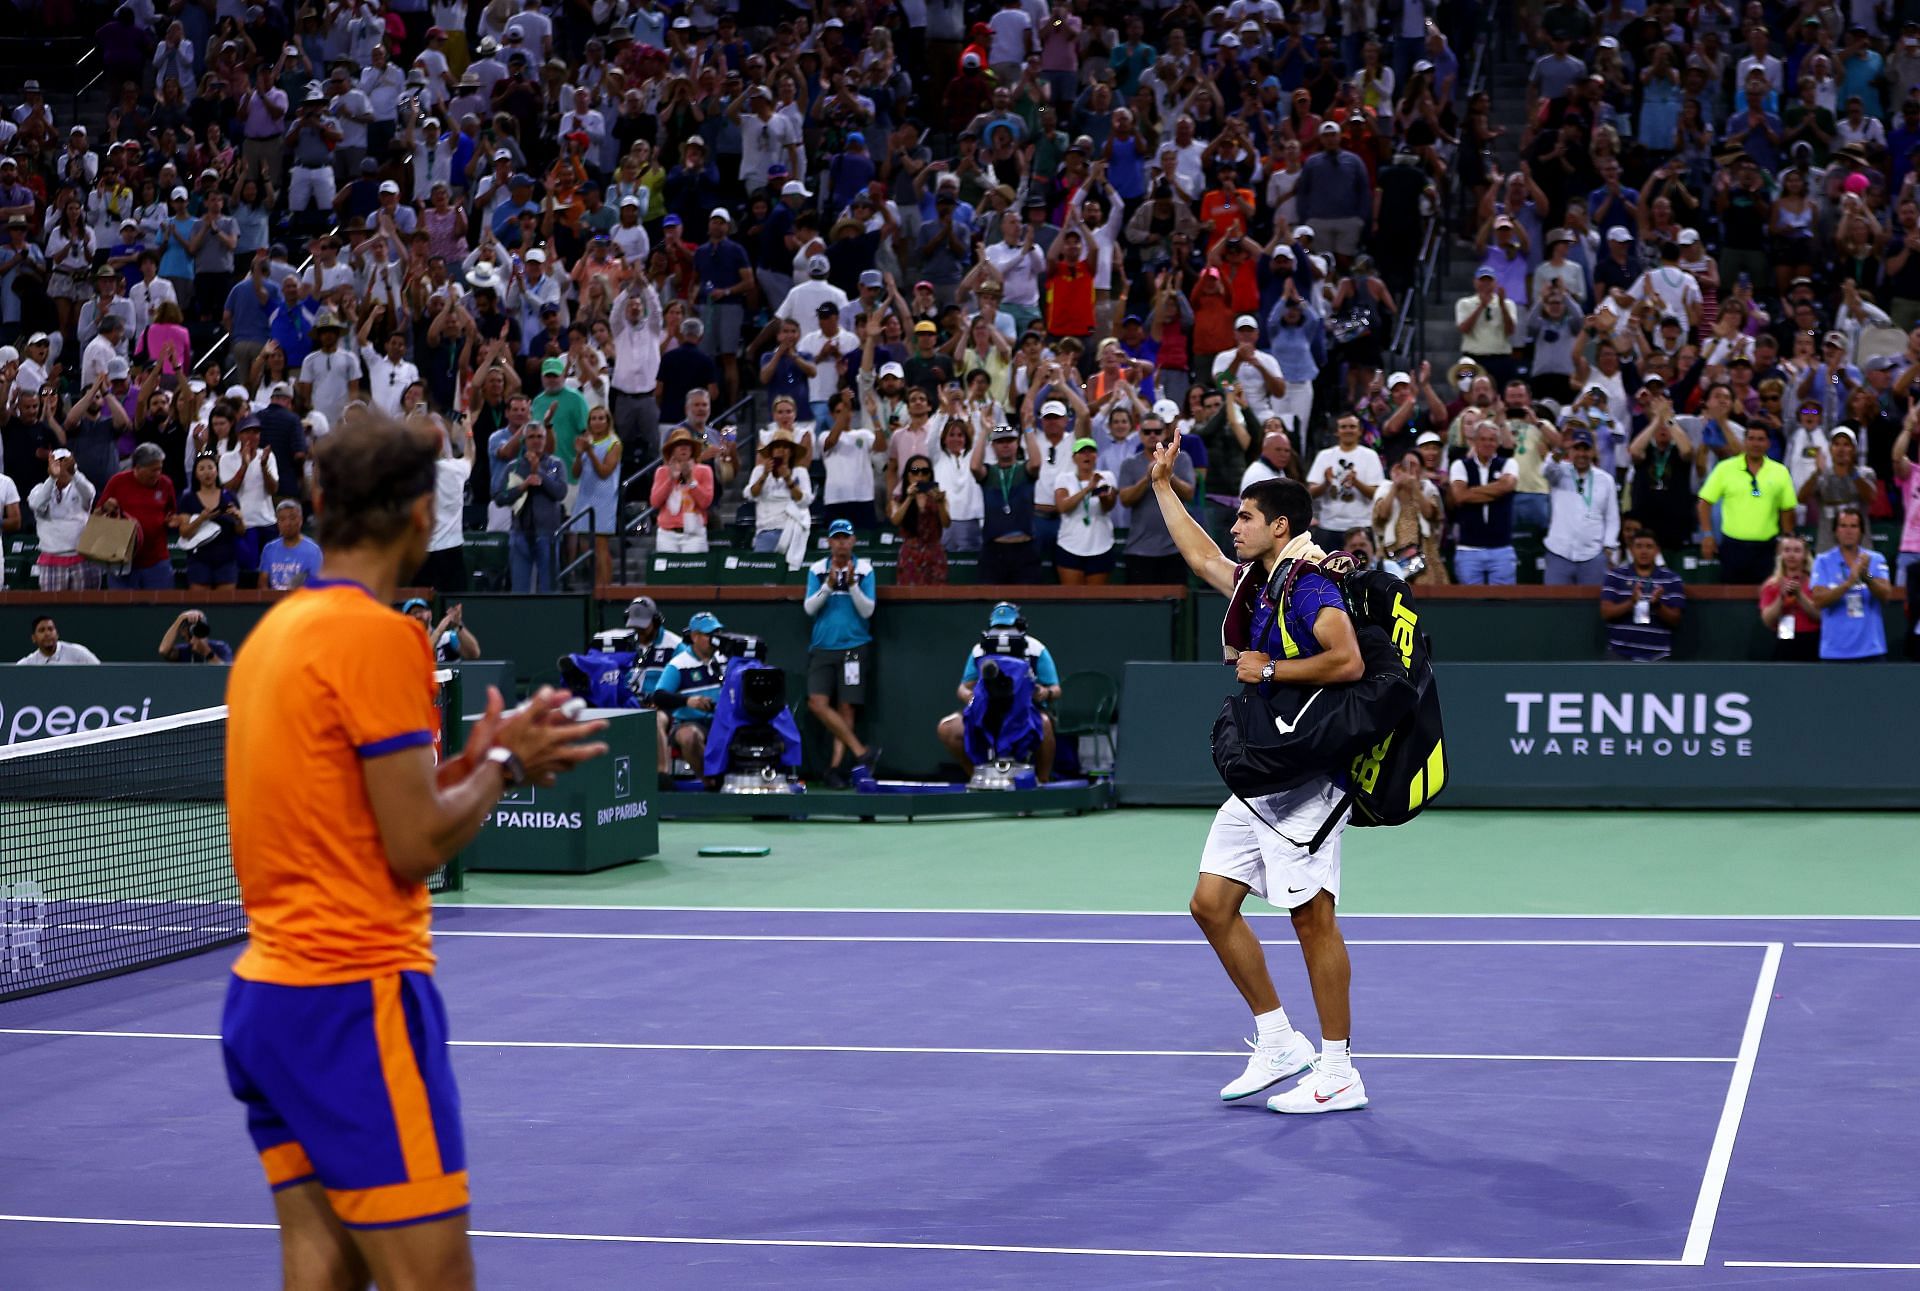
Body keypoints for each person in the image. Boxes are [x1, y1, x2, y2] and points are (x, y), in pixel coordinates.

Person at [221, 413, 604, 1291]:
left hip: (267, 1005)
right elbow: (415, 844)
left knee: (321, 1269)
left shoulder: (273, 637)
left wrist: (465, 765)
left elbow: (362, 811)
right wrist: (506, 764)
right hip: (354, 1003)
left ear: (318, 506)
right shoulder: (381, 637)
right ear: (424, 517)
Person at [1145, 442, 1369, 1114]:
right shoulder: (1259, 584)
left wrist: (1268, 670)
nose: (1233, 527)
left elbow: (1348, 660)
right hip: (1264, 774)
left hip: (1309, 778)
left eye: (1244, 517)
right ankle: (1278, 1039)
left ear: (1279, 526)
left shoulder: (1313, 583)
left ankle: (1338, 1070)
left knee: (1311, 919)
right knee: (1211, 904)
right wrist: (1162, 486)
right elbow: (1200, 555)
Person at [804, 519, 882, 787]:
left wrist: (851, 585)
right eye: (836, 538)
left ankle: (835, 769)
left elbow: (867, 611)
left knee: (846, 707)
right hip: (823, 647)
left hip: (854, 647)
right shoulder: (816, 570)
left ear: (853, 541)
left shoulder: (864, 569)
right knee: (817, 703)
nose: (840, 543)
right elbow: (809, 609)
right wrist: (827, 585)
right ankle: (862, 752)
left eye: (845, 538)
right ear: (829, 542)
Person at [1697, 423, 1798, 585]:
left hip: (1767, 549)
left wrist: (1785, 540)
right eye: (1751, 439)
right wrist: (1708, 535)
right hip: (1732, 548)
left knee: (1766, 598)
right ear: (1744, 441)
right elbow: (1704, 502)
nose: (1756, 444)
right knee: (1732, 599)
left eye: (1760, 439)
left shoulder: (1780, 472)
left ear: (1768, 443)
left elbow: (1787, 509)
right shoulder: (1725, 468)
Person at [1115, 414, 1195, 584]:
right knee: (1141, 605)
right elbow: (1125, 499)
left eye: (1157, 431)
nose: (1152, 435)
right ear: (1140, 434)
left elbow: (1189, 494)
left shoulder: (1181, 458)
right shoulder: (1129, 463)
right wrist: (1148, 477)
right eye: (1147, 431)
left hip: (1176, 548)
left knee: (1175, 604)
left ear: (1165, 433)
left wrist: (1167, 474)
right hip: (1139, 549)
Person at [1808, 506, 1893, 662]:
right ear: (1835, 531)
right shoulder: (1823, 561)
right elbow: (1818, 600)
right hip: (1834, 652)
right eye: (1843, 526)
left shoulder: (1875, 559)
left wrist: (1866, 576)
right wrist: (1848, 583)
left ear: (1861, 531)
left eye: (1854, 526)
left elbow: (1886, 595)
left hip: (1871, 651)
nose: (1849, 531)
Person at [95, 443, 178, 590]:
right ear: (137, 468)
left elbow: (171, 513)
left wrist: (171, 520)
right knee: (121, 611)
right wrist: (106, 508)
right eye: (153, 470)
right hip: (121, 560)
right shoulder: (117, 482)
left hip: (157, 561)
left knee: (160, 610)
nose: (158, 474)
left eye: (160, 469)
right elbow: (96, 516)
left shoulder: (166, 484)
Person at [654, 611, 727, 779]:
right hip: (690, 722)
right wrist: (688, 701)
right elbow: (659, 696)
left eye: (717, 634)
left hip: (723, 720)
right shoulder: (679, 664)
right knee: (688, 736)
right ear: (695, 636)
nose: (714, 639)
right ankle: (711, 783)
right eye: (709, 634)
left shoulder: (725, 659)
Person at [1541, 431, 1620, 586]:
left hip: (1593, 555)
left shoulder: (1605, 479)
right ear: (1570, 451)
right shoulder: (1560, 472)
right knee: (1555, 605)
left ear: (1593, 451)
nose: (1582, 454)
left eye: (1586, 449)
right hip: (1559, 552)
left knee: (1591, 606)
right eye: (1577, 449)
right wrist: (1560, 449)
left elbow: (1612, 517)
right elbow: (1547, 470)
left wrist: (1609, 547)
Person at [496, 422, 568, 591]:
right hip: (520, 533)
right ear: (524, 440)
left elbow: (560, 493)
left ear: (545, 439)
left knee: (549, 589)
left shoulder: (556, 464)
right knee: (519, 589)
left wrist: (538, 472)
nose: (536, 441)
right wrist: (522, 486)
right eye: (531, 437)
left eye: (540, 437)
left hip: (548, 534)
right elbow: (499, 498)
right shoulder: (513, 467)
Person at [1447, 421, 1519, 584]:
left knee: (1504, 603)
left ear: (1498, 443)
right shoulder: (1460, 465)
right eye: (1483, 439)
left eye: (1492, 440)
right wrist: (1497, 490)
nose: (1487, 443)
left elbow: (1507, 486)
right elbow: (1459, 496)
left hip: (1502, 549)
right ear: (1474, 441)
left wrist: (1470, 492)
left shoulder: (1509, 463)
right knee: (1470, 606)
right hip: (1468, 550)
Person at [1601, 532, 1686, 661]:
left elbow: (1675, 620)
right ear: (1631, 549)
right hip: (1619, 654)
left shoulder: (1672, 579)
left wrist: (1657, 605)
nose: (1644, 551)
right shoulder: (1615, 576)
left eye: (1649, 546)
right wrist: (1631, 602)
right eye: (1639, 546)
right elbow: (1606, 613)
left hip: (1658, 656)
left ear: (1657, 550)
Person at [1305, 413, 1384, 543]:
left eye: (1352, 426)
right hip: (1329, 526)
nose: (1348, 430)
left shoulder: (1370, 456)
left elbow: (1376, 495)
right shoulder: (1324, 456)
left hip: (1361, 526)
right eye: (1343, 427)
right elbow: (1311, 493)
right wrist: (1326, 483)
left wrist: (1356, 482)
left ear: (1360, 431)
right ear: (1337, 431)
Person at [28, 448, 100, 591]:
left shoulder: (81, 488)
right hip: (51, 561)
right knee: (53, 610)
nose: (62, 467)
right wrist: (52, 479)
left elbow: (90, 494)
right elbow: (37, 505)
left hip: (83, 559)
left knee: (86, 610)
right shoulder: (39, 489)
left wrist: (75, 473)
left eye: (66, 463)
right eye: (58, 463)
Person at [1052, 436, 1119, 585]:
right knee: (1072, 598)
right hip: (1070, 546)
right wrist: (1089, 488)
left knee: (1096, 599)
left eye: (1091, 451)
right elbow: (1063, 507)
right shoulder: (1063, 478)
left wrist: (1102, 495)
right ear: (1074, 457)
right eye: (1082, 452)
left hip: (1100, 545)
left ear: (1096, 456)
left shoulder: (1106, 476)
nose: (1087, 455)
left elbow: (1109, 506)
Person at [176, 451, 245, 590]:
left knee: (226, 607)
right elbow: (184, 532)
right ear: (195, 474)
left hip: (226, 559)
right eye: (201, 469)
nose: (207, 472)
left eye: (210, 467)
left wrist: (238, 518)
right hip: (199, 560)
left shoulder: (229, 496)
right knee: (199, 606)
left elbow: (241, 531)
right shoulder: (188, 499)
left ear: (217, 471)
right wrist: (201, 519)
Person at [746, 424, 813, 565]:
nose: (781, 451)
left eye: (786, 447)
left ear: (792, 451)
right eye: (777, 447)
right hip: (766, 531)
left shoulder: (800, 472)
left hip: (792, 531)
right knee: (762, 578)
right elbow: (751, 494)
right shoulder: (759, 471)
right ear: (771, 451)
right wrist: (764, 475)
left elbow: (804, 501)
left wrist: (789, 479)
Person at [650, 425, 715, 554]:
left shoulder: (704, 471)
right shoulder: (662, 472)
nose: (684, 447)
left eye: (687, 444)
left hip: (694, 535)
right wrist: (671, 479)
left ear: (692, 449)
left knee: (693, 573)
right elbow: (655, 502)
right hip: (667, 535)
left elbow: (705, 502)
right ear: (672, 450)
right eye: (679, 444)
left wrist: (690, 480)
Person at [1759, 534, 1821, 661]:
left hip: (1813, 640)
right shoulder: (1771, 585)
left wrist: (1800, 596)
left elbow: (1821, 616)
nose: (1791, 555)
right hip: (1784, 639)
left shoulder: (1816, 583)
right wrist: (1781, 598)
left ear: (1805, 555)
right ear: (1781, 555)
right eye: (1787, 550)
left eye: (1797, 550)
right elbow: (1767, 620)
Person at [889, 454, 950, 585]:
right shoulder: (898, 499)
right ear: (908, 474)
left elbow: (946, 523)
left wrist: (940, 503)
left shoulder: (939, 498)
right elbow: (895, 520)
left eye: (925, 471)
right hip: (910, 555)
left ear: (930, 475)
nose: (920, 476)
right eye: (915, 471)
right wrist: (909, 498)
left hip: (934, 554)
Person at [260, 499, 325, 590]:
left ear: (301, 520)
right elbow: (263, 585)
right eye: (282, 519)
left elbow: (318, 586)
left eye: (292, 518)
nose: (287, 523)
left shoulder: (313, 550)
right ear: (277, 522)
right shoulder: (269, 549)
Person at [400, 598, 483, 663]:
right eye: (413, 613)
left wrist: (458, 625)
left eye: (421, 611)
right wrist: (438, 631)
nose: (418, 615)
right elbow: (420, 659)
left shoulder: (448, 638)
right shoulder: (404, 642)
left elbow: (474, 653)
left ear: (430, 614)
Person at [17, 615, 100, 665]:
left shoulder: (78, 653)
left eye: (50, 629)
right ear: (34, 638)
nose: (47, 633)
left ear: (57, 635)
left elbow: (100, 673)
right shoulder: (27, 664)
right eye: (42, 630)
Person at [158, 609, 233, 664]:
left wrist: (207, 652)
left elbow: (226, 672)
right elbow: (163, 650)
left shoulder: (220, 647)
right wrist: (180, 619)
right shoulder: (183, 651)